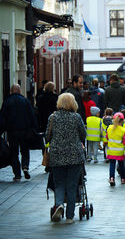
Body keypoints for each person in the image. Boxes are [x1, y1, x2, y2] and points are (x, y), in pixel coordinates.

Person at [46, 93, 86, 223]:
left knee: (59, 183)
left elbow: (48, 136)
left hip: (57, 155)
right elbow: (83, 134)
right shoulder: (76, 117)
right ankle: (69, 217)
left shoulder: (53, 117)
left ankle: (59, 204)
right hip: (75, 156)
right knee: (72, 184)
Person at [0, 84, 39, 181]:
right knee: (25, 150)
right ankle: (25, 166)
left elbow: (3, 118)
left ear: (11, 91)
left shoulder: (7, 102)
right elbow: (32, 115)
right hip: (25, 131)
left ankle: (17, 173)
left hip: (12, 132)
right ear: (19, 91)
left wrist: (1, 130)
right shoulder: (25, 101)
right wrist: (34, 129)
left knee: (14, 152)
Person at [106, 112, 125, 186]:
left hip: (111, 150)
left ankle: (111, 178)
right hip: (119, 151)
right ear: (122, 121)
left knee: (112, 164)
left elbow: (107, 137)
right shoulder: (123, 130)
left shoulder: (109, 128)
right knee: (121, 165)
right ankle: (123, 179)